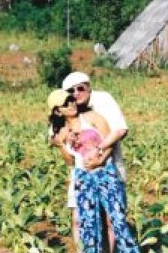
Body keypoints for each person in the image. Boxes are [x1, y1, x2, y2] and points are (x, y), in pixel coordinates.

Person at [47, 89, 139, 253]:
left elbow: (110, 140)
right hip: (83, 177)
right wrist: (62, 144)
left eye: (71, 100)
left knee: (117, 218)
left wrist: (101, 160)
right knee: (88, 222)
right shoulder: (61, 131)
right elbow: (71, 162)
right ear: (57, 111)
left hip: (105, 172)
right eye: (65, 103)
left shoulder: (92, 117)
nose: (71, 104)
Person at [60, 71, 129, 252]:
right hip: (82, 175)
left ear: (89, 87)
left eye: (80, 88)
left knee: (112, 219)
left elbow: (119, 130)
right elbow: (65, 152)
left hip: (109, 168)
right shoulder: (64, 112)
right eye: (71, 91)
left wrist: (99, 157)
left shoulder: (102, 101)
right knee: (80, 219)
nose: (76, 93)